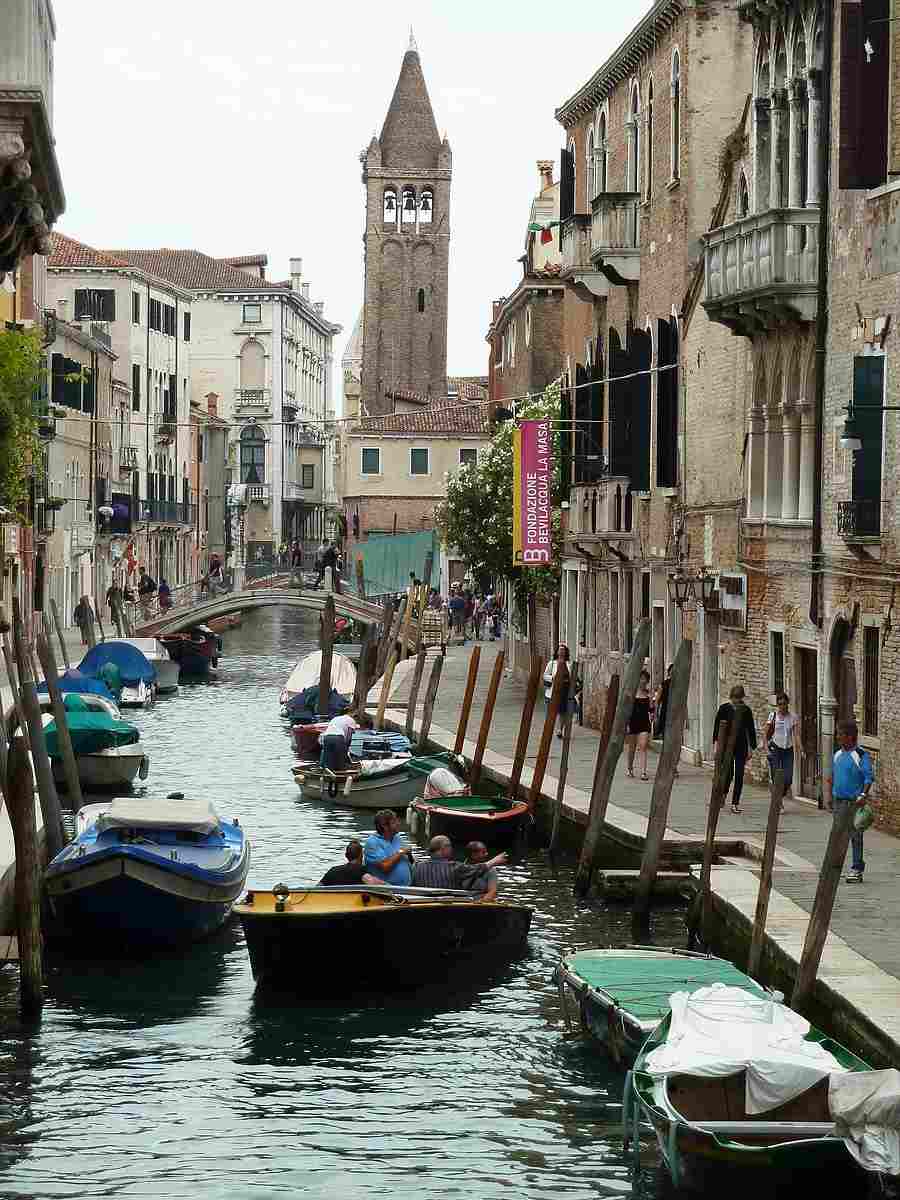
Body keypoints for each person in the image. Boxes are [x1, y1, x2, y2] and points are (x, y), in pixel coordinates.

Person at [832, 720, 875, 883]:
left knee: (855, 836)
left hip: (854, 803)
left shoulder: (861, 755)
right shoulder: (837, 754)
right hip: (838, 801)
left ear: (850, 737)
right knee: (837, 834)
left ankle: (857, 868)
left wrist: (863, 794)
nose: (838, 737)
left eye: (840, 734)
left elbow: (868, 777)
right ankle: (835, 866)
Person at [712, 684, 758, 814]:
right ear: (731, 697)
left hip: (741, 746)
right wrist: (716, 745)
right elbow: (717, 728)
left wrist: (751, 748)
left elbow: (750, 730)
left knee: (739, 775)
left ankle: (735, 803)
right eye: (734, 699)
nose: (736, 701)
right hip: (726, 745)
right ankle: (723, 794)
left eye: (738, 699)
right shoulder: (724, 709)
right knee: (727, 773)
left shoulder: (746, 710)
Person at [764, 691, 802, 807]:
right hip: (775, 748)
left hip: (788, 749)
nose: (782, 706)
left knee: (788, 779)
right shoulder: (773, 716)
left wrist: (801, 748)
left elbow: (796, 735)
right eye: (779, 704)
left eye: (784, 704)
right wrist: (767, 749)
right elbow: (765, 735)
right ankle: (778, 800)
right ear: (777, 705)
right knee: (776, 776)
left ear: (787, 704)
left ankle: (778, 796)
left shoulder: (793, 717)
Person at [364, 809, 413, 886]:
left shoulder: (397, 837)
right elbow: (385, 866)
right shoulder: (372, 843)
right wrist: (401, 851)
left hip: (406, 889)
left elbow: (403, 856)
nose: (398, 823)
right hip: (387, 892)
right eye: (394, 822)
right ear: (384, 826)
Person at [626, 670, 653, 780]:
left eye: (645, 679)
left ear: (647, 681)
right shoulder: (632, 694)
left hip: (644, 723)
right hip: (633, 722)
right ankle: (630, 768)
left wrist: (652, 713)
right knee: (632, 747)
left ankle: (643, 772)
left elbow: (651, 710)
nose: (642, 681)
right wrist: (626, 724)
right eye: (641, 678)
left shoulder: (648, 694)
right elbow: (627, 710)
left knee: (643, 745)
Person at [543, 645, 572, 739]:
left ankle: (560, 729)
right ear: (557, 652)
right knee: (551, 711)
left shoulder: (569, 664)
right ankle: (549, 729)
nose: (562, 652)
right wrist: (552, 678)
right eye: (560, 650)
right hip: (552, 691)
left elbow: (572, 677)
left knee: (562, 712)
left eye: (563, 650)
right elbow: (545, 675)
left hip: (564, 690)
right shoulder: (552, 663)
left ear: (566, 652)